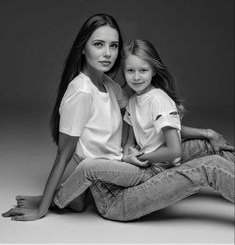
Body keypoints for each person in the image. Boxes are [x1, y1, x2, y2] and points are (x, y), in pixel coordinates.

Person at [2, 14, 234, 222]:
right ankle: (62, 199)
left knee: (207, 147)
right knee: (210, 167)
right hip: (116, 193)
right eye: (98, 45)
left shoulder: (110, 85)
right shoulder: (82, 92)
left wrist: (207, 133)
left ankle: (75, 198)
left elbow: (150, 123)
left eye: (113, 46)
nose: (107, 53)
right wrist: (44, 205)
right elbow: (64, 156)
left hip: (130, 167)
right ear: (83, 48)